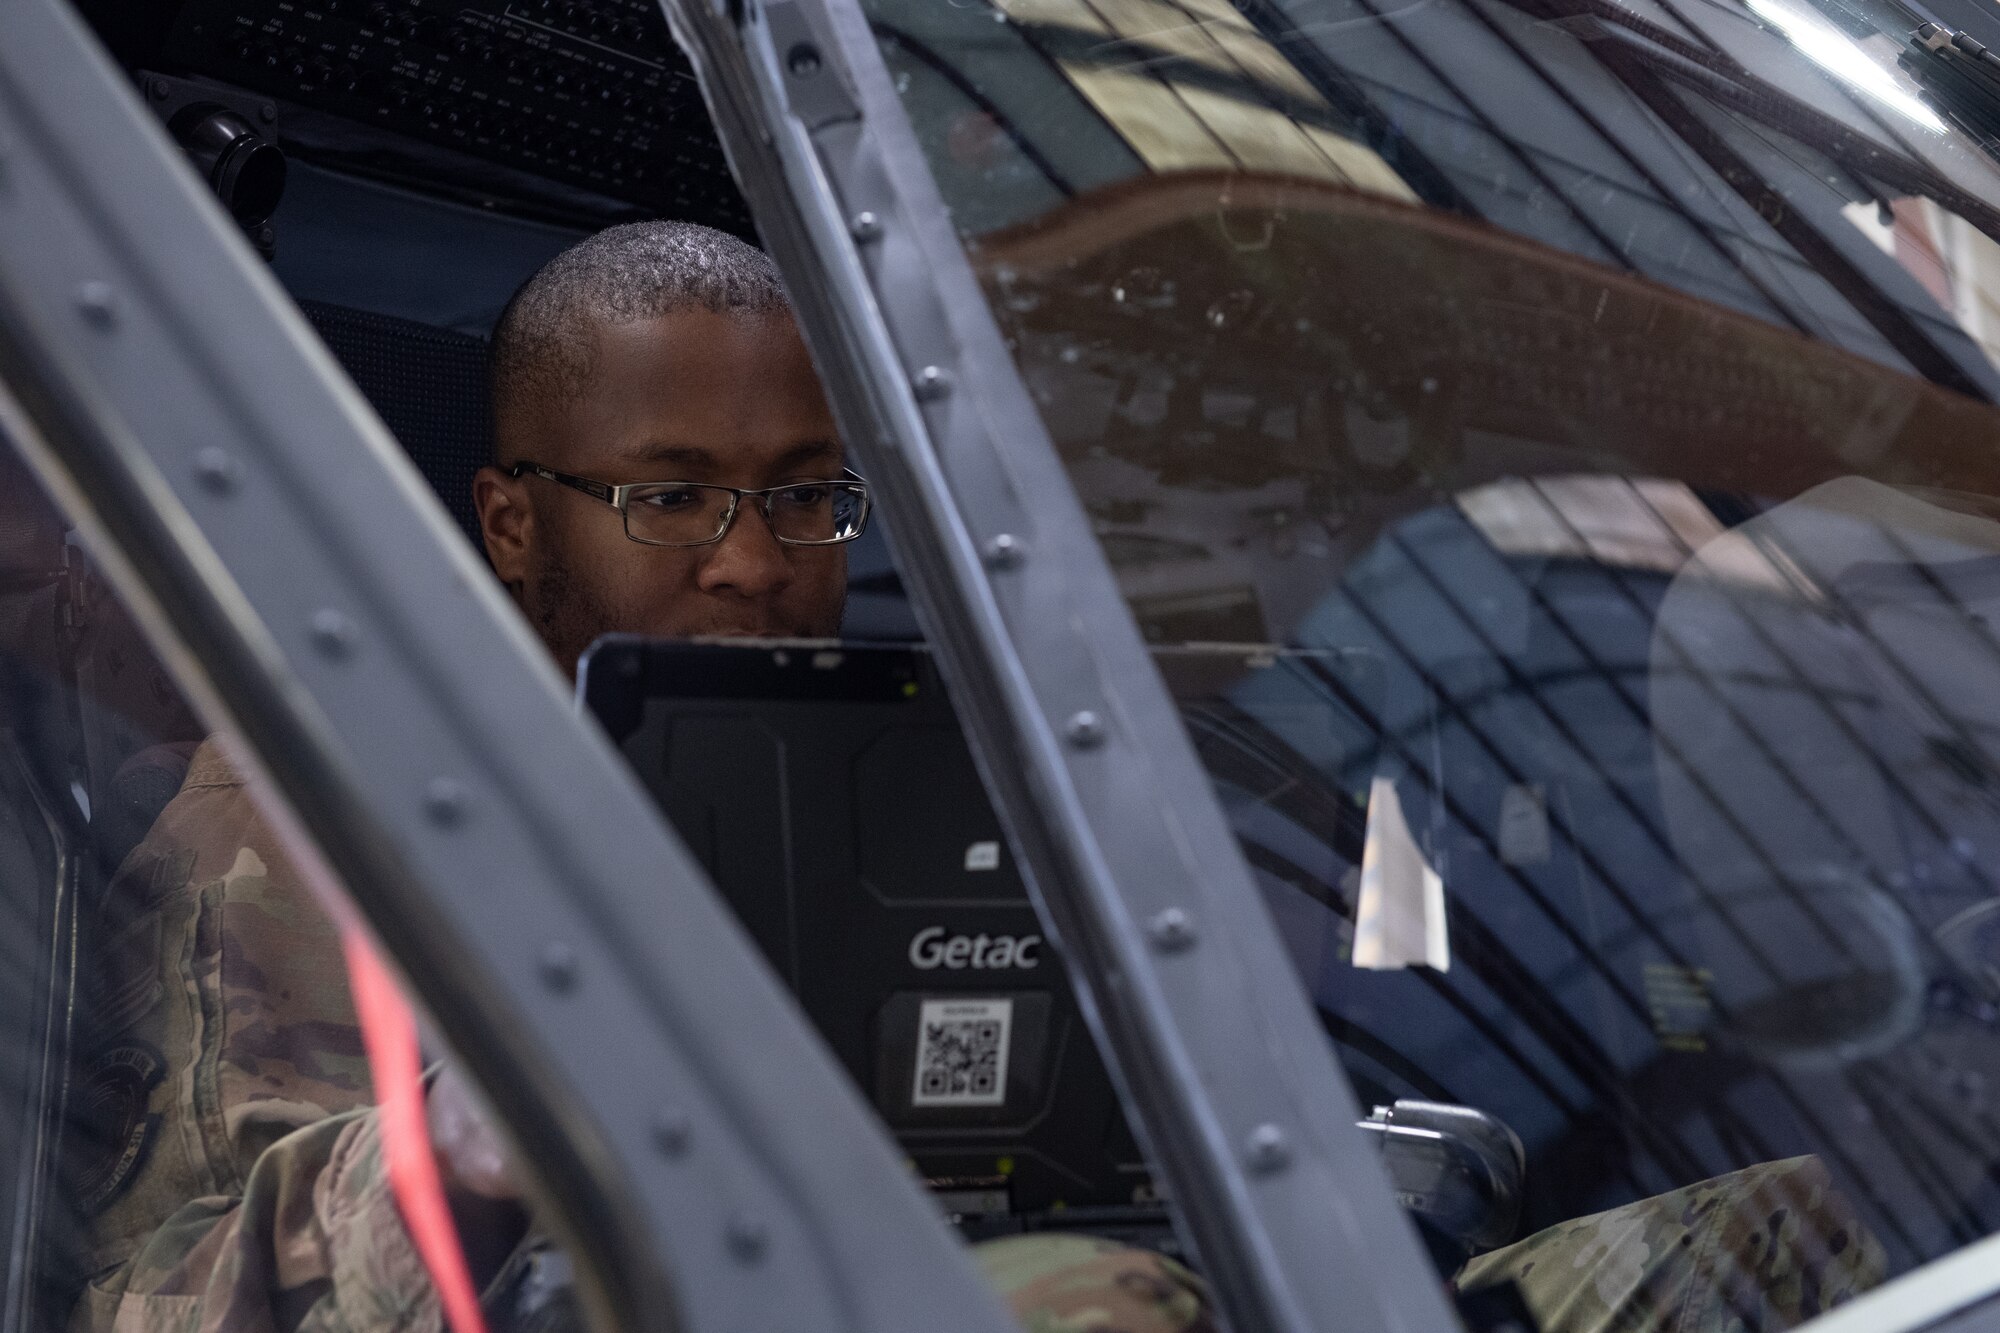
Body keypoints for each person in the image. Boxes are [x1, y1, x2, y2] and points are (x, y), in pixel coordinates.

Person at [67, 221, 1885, 1333]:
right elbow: (151, 1304)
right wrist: (459, 1151)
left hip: (1176, 1273)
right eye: (672, 490)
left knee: (1804, 1230)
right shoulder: (313, 823)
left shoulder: (970, 754)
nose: (750, 559)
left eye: (802, 493)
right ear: (516, 522)